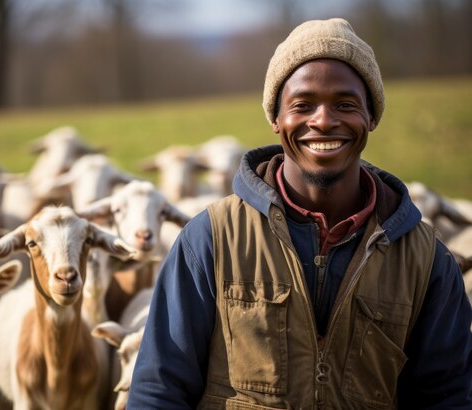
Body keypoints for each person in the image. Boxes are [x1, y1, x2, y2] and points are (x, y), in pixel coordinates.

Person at [127, 18, 472, 409]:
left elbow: (449, 397)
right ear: (276, 118)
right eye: (303, 105)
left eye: (345, 104)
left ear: (371, 117)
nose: (323, 121)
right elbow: (159, 390)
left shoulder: (426, 260)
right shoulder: (210, 239)